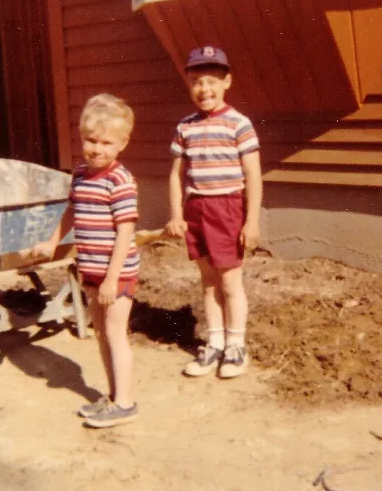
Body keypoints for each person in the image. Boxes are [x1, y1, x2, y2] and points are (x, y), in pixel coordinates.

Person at [30, 93, 140, 428]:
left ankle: (126, 402)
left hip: (116, 273)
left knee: (115, 333)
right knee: (102, 335)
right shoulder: (79, 175)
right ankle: (112, 394)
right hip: (89, 268)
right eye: (91, 140)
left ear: (122, 144)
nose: (97, 148)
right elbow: (71, 214)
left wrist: (111, 278)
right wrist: (51, 243)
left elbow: (124, 234)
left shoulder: (119, 181)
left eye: (106, 142)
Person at [165, 46, 262, 379]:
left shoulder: (239, 124)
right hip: (196, 209)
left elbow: (252, 176)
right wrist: (177, 214)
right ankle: (215, 343)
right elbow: (177, 174)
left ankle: (236, 346)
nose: (203, 89)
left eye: (210, 81)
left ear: (227, 82)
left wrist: (251, 222)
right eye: (195, 81)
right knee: (208, 283)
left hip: (227, 208)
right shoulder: (186, 126)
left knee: (230, 281)